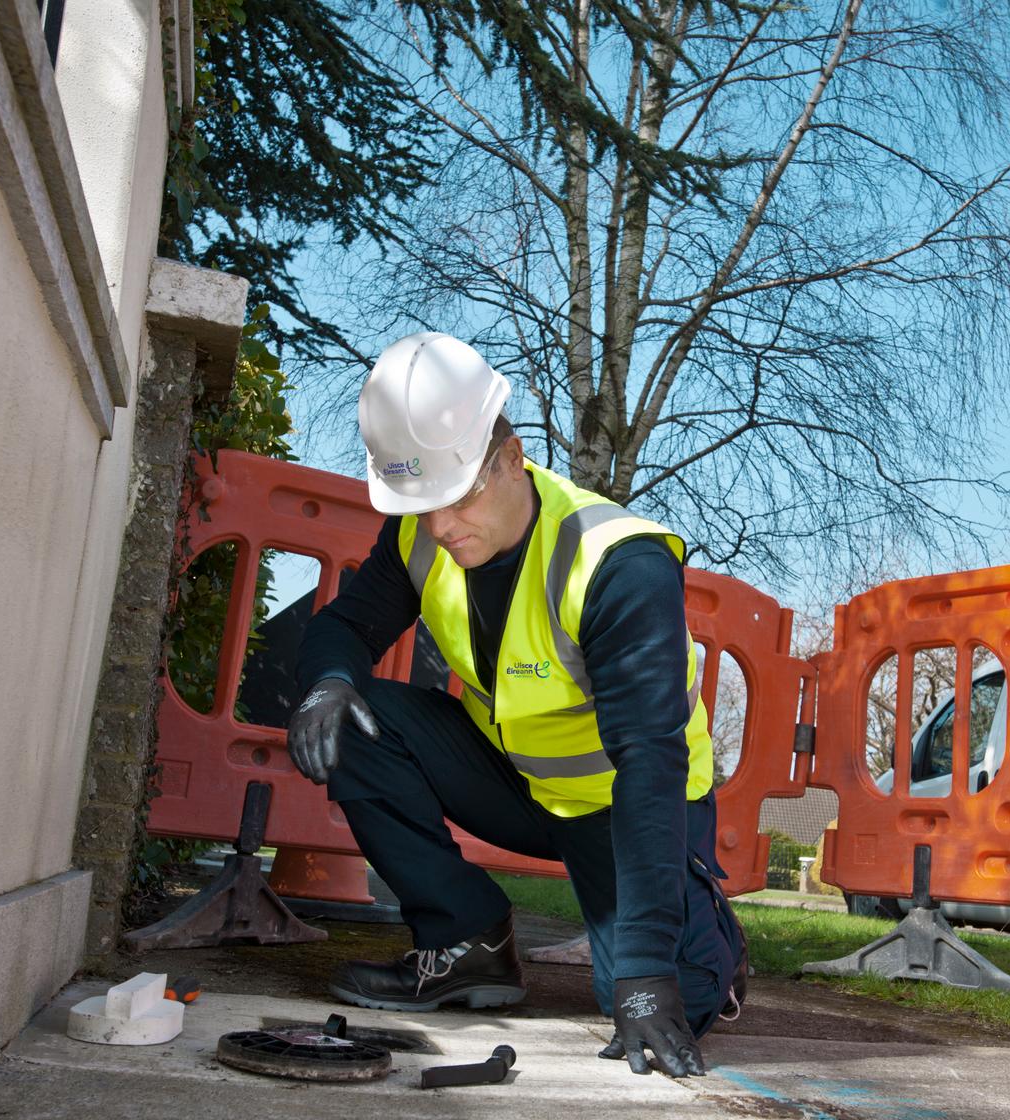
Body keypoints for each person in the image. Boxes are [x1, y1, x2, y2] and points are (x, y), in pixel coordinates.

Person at [288, 332, 746, 1078]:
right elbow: (346, 625)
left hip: (626, 806)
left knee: (653, 1000)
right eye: (424, 502)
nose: (440, 527)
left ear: (512, 457)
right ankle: (465, 944)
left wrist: (642, 969)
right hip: (516, 780)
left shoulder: (614, 562)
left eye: (459, 496)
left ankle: (711, 946)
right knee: (353, 714)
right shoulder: (420, 533)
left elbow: (650, 764)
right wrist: (325, 682)